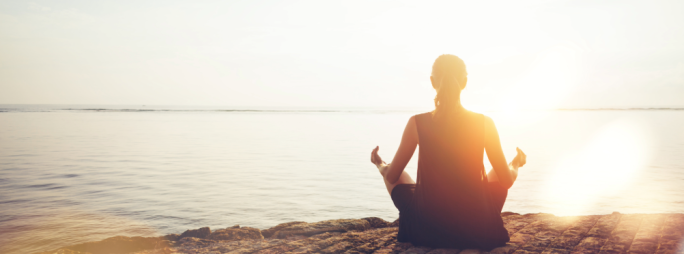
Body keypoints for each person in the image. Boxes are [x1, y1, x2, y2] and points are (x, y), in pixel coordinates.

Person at [370, 54, 527, 250]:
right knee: (498, 172)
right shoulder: (485, 123)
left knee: (395, 171)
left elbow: (393, 177)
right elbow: (506, 181)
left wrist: (380, 165)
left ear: (432, 82)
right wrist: (515, 164)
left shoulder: (417, 123)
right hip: (478, 227)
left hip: (426, 228)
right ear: (465, 82)